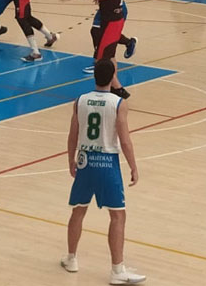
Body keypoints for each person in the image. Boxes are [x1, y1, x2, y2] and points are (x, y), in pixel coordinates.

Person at [60, 59, 145, 285]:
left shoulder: (80, 101)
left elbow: (72, 135)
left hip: (85, 160)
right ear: (112, 77)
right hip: (107, 162)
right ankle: (117, 271)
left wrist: (71, 159)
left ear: (94, 76)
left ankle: (71, 259)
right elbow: (125, 140)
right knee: (117, 215)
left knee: (78, 210)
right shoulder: (118, 103)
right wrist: (134, 166)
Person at [72, 0, 130, 99]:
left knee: (100, 59)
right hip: (116, 20)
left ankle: (118, 89)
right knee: (110, 56)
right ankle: (115, 87)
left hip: (111, 24)